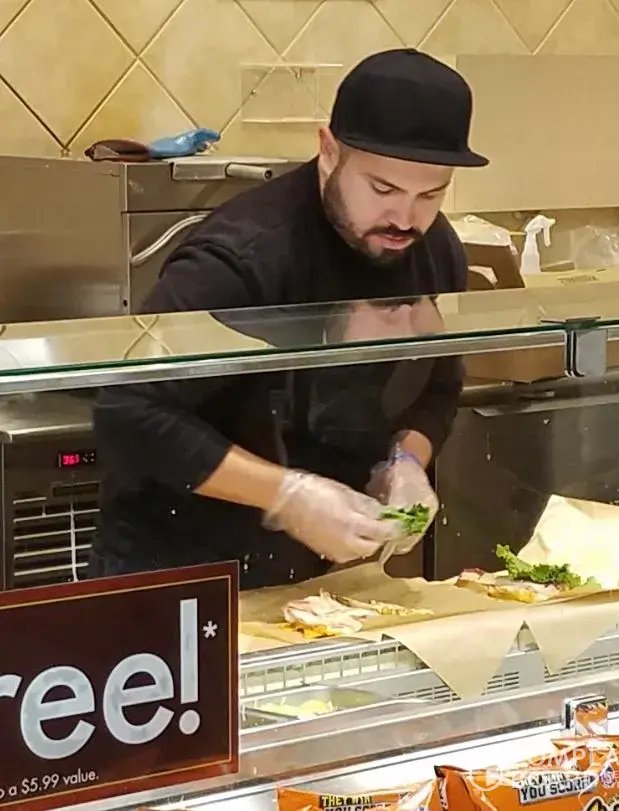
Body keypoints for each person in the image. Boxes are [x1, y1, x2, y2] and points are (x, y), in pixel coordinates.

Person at [89, 48, 489, 589]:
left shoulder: (435, 250)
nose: (404, 218)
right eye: (383, 189)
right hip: (178, 565)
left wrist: (407, 461)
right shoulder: (243, 258)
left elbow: (437, 384)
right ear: (329, 151)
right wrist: (287, 496)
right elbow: (128, 412)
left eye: (431, 194)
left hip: (319, 572)